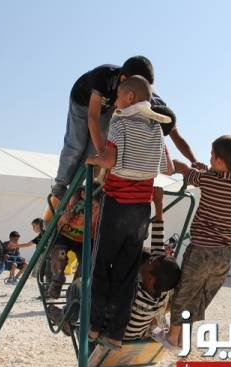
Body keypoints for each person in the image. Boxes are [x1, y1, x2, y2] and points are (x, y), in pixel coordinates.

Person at [84, 75, 174, 350]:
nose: (116, 102)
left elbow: (110, 160)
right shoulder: (156, 128)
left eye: (119, 97)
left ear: (130, 97)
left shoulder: (120, 122)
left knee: (100, 266)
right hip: (140, 211)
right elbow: (167, 167)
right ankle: (115, 333)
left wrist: (92, 159)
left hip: (116, 206)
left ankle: (94, 326)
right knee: (126, 272)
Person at [51, 56, 196, 200]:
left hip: (107, 109)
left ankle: (76, 187)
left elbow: (175, 135)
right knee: (76, 144)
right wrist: (103, 154)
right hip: (82, 102)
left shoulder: (145, 93)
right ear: (123, 80)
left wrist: (193, 161)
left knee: (93, 148)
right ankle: (60, 185)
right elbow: (92, 118)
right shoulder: (104, 77)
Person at [153, 135, 231, 350]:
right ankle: (184, 338)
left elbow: (183, 170)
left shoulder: (207, 180)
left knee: (185, 291)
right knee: (200, 296)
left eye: (212, 155)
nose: (209, 158)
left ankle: (172, 338)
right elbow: (216, 175)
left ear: (219, 161)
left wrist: (176, 165)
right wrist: (208, 169)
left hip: (202, 250)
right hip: (224, 254)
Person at [50, 187, 181, 342]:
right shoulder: (162, 294)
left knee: (80, 286)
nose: (149, 261)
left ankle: (66, 319)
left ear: (151, 278)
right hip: (134, 334)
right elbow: (158, 243)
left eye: (150, 263)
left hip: (110, 331)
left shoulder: (132, 291)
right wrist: (158, 204)